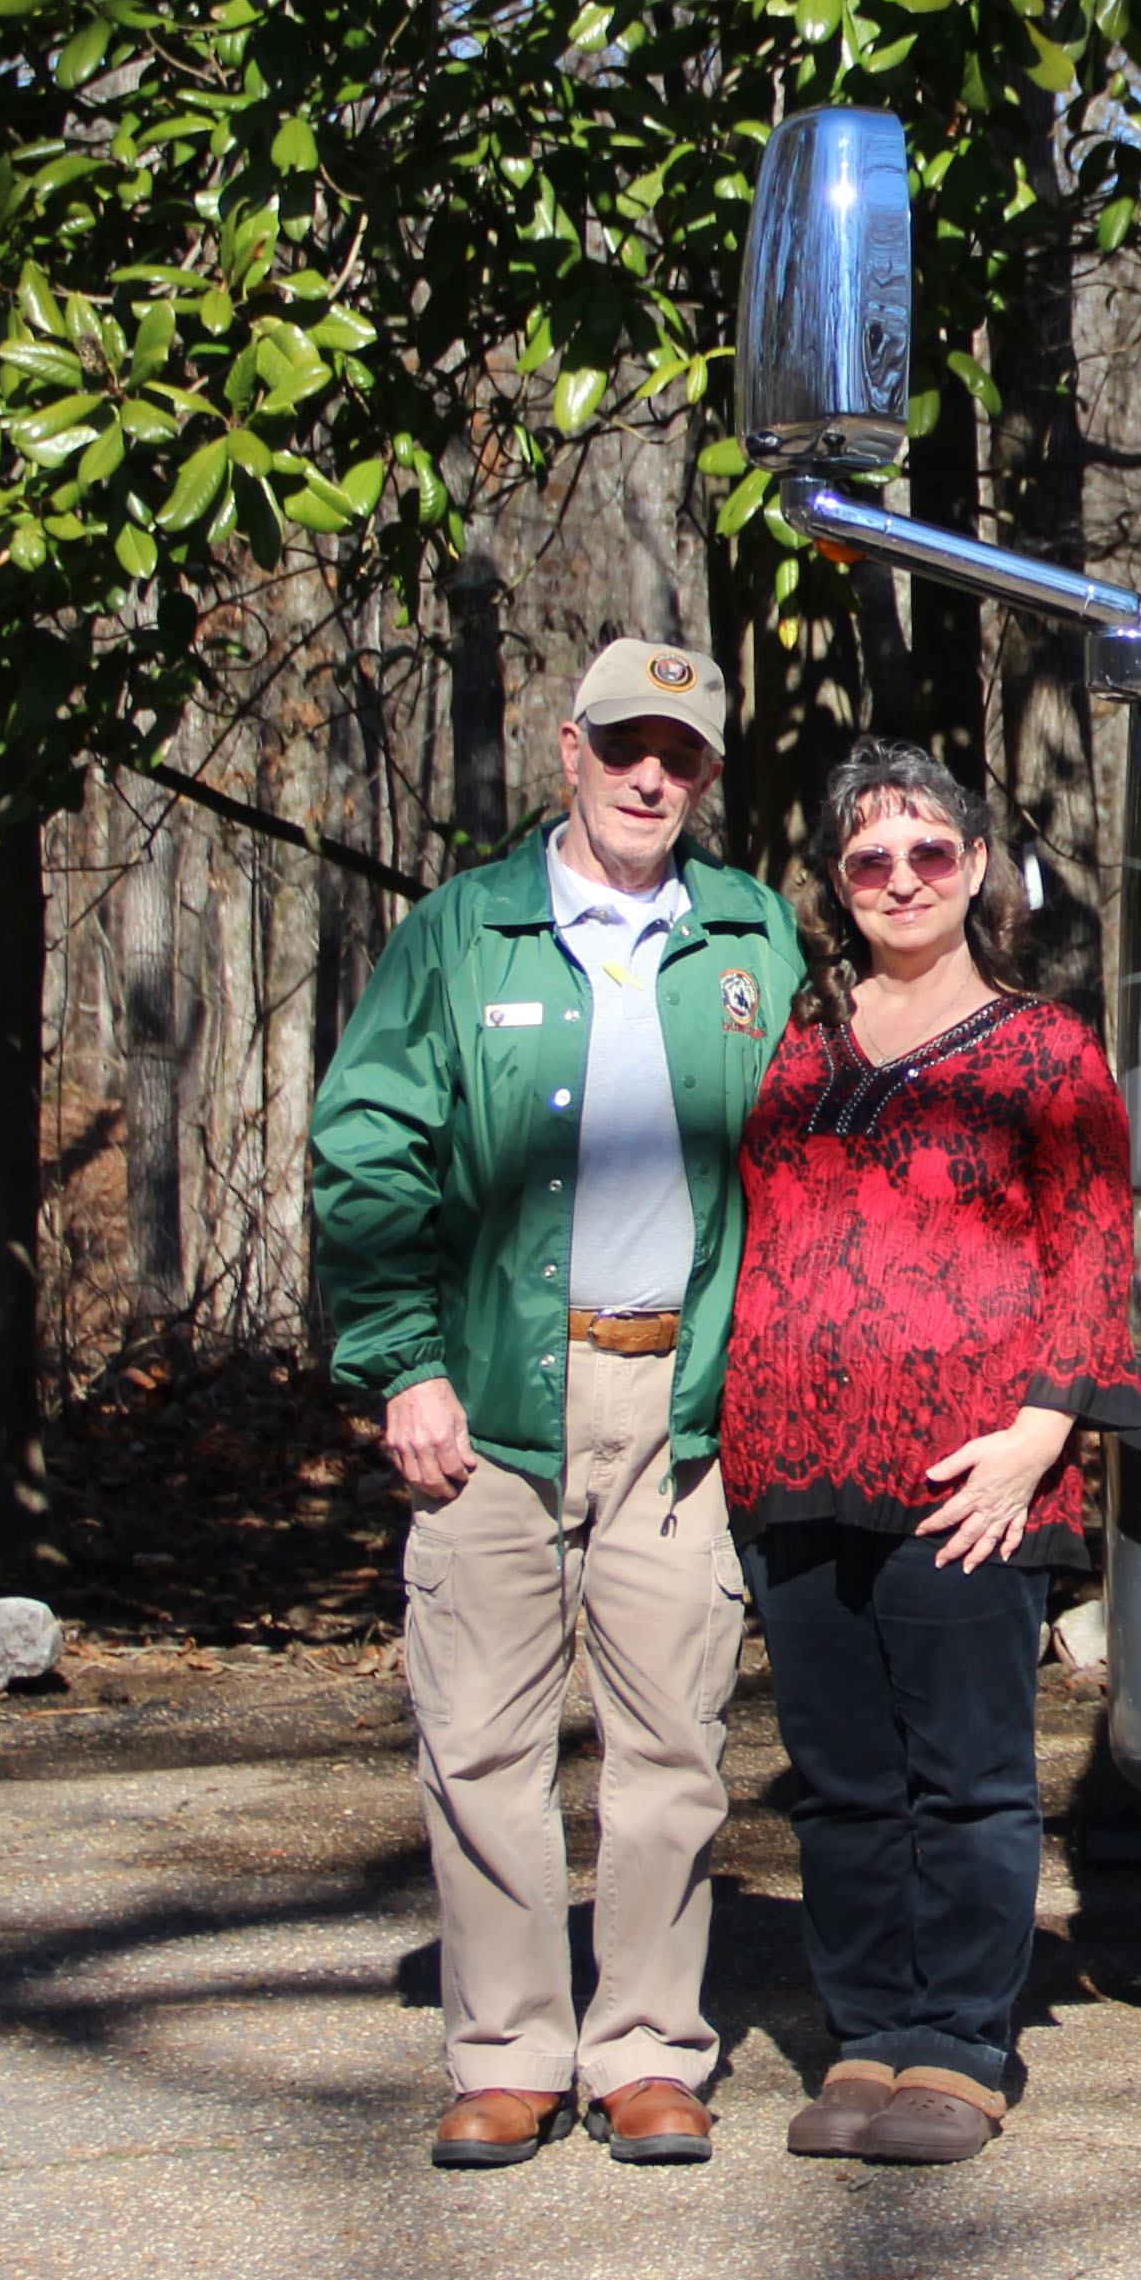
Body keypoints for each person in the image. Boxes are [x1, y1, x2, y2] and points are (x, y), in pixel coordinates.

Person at [311, 639, 803, 2169]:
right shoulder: (466, 935)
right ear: (570, 754)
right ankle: (509, 2051)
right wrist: (403, 1361)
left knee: (672, 1750)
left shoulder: (751, 935)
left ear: (708, 776)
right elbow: (369, 1152)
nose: (653, 776)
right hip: (497, 1390)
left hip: (683, 1403)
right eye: (625, 747)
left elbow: (799, 1168)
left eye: (685, 755)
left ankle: (650, 2051)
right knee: (479, 1746)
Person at [721, 739, 1139, 2166]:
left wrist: (1038, 1441)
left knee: (965, 1776)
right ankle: (867, 2035)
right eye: (868, 859)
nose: (901, 878)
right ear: (840, 886)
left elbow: (1096, 1249)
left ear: (976, 870)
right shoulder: (792, 1041)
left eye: (928, 852)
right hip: (792, 1456)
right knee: (841, 1779)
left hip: (973, 1471)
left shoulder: (1043, 1047)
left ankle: (960, 2046)